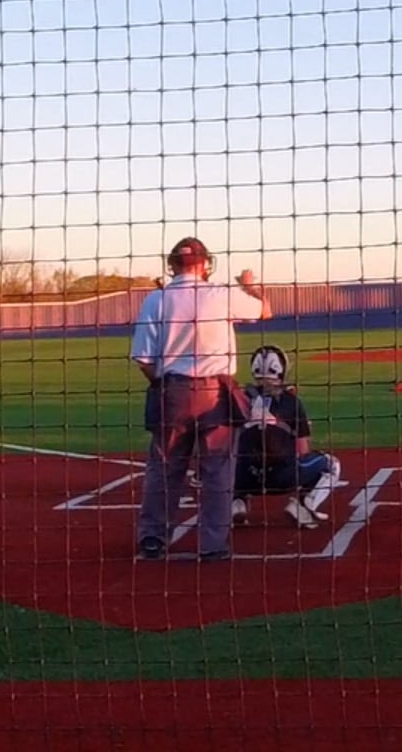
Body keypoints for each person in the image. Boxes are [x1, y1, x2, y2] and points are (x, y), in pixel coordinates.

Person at [130, 237, 272, 562]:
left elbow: (144, 360)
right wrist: (250, 286)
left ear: (172, 265)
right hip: (216, 393)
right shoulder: (221, 294)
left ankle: (153, 539)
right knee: (218, 472)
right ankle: (213, 545)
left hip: (172, 392)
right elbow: (265, 310)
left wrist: (166, 385)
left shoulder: (156, 299)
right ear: (206, 264)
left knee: (164, 468)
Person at [232, 345, 344, 530]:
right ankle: (304, 506)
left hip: (243, 477)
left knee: (225, 462)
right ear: (281, 369)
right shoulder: (291, 401)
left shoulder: (239, 399)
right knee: (332, 464)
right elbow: (302, 450)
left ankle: (237, 501)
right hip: (281, 477)